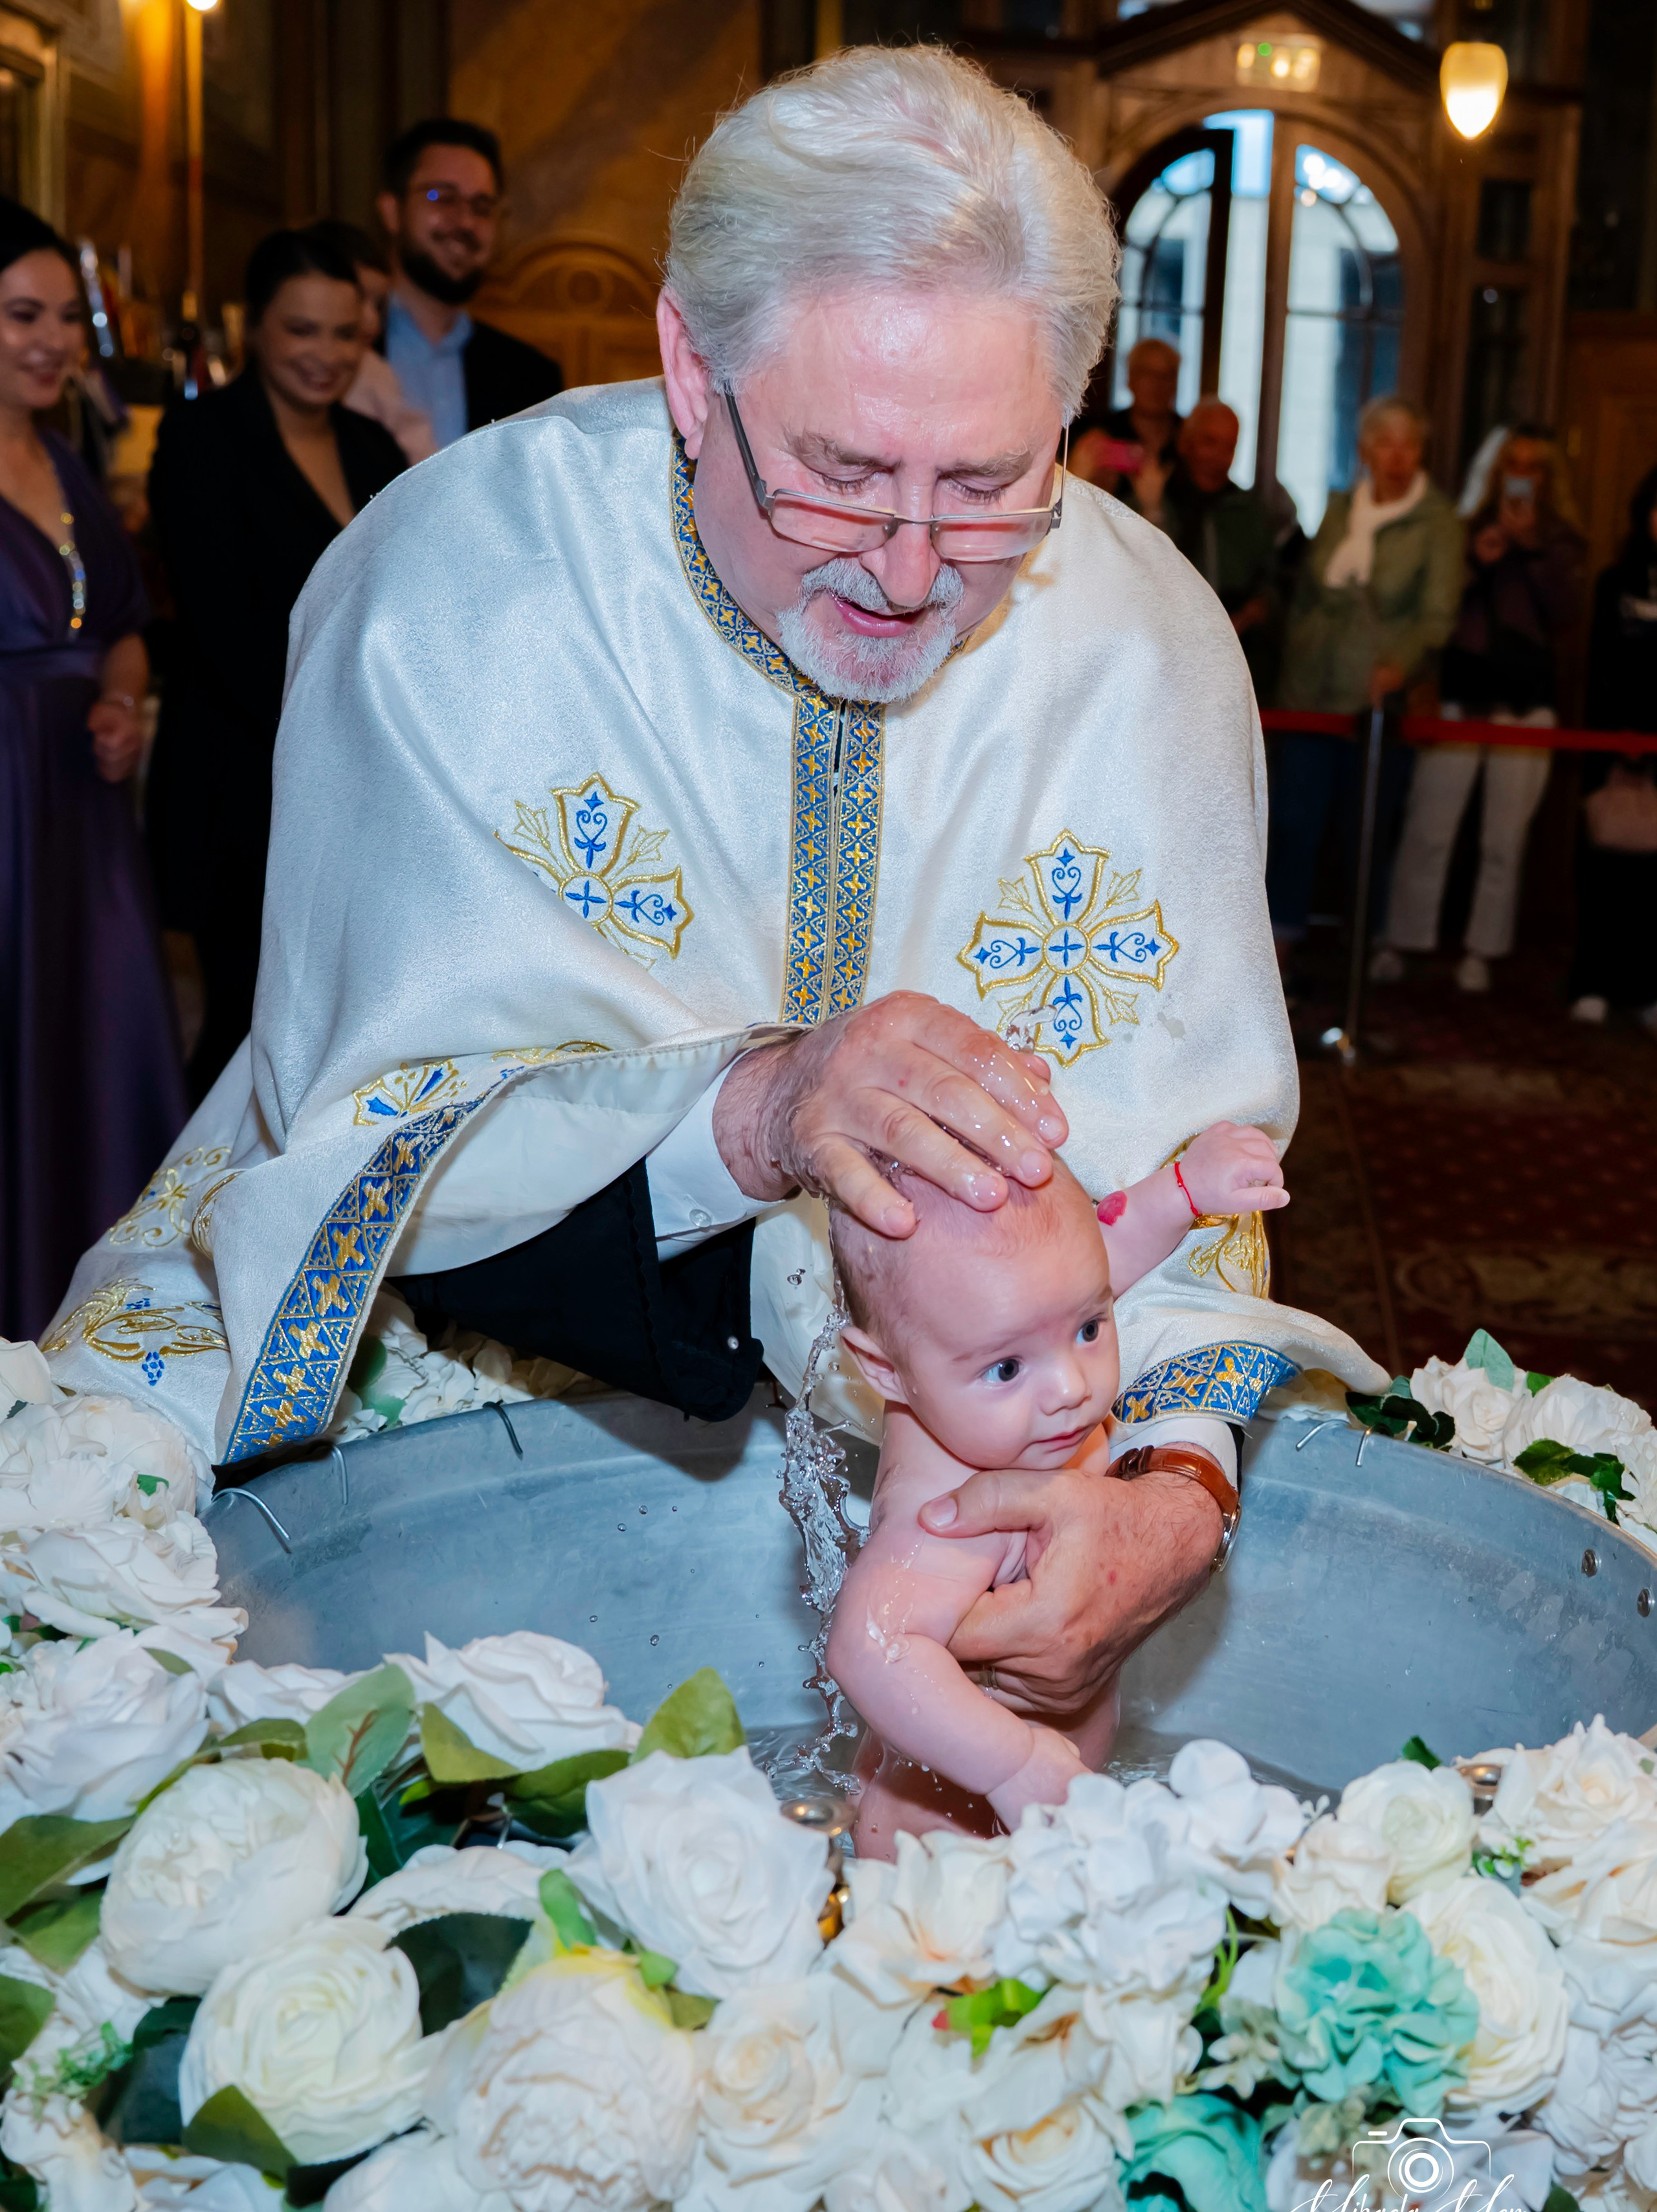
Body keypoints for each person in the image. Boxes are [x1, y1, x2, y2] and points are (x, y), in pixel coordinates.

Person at [50, 52, 1379, 1734]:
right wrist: (752, 1110)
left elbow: (1182, 1156)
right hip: (470, 1370)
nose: (908, 572)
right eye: (839, 473)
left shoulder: (1142, 639)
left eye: (987, 488)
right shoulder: (451, 593)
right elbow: (373, 1148)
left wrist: (1175, 1489)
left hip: (1012, 1398)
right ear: (692, 365)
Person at [827, 1123, 1287, 1856]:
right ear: (883, 1370)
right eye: (1006, 1368)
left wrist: (1181, 1192)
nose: (1071, 1389)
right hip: (950, 1819)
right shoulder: (951, 1505)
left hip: (1010, 1798)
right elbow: (867, 1646)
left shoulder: (1000, 1343)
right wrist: (1009, 1761)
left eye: (1089, 1328)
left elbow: (1097, 1260)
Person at [146, 229, 406, 1100]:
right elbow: (228, 633)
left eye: (345, 333)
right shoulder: (199, 439)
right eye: (302, 331)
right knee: (241, 1033)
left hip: (358, 788)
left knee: (338, 1027)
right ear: (253, 328)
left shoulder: (377, 450)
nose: (326, 355)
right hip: (240, 788)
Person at [0, 199, 185, 1341]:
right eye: (23, 315)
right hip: (9, 815)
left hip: (83, 813)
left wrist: (119, 697)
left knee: (91, 1046)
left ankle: (90, 1332)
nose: (55, 340)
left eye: (69, 317)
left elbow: (120, 619)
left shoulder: (65, 455)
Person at [1375, 425, 1585, 994]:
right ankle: (1402, 940)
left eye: (1533, 466)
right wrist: (1477, 557)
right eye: (1511, 465)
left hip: (1527, 704)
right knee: (1430, 826)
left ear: (1547, 477)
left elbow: (1566, 615)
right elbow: (1438, 607)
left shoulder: (1562, 541)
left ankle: (1481, 952)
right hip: (1460, 697)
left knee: (1503, 839)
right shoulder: (1459, 530)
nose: (1521, 476)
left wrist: (1533, 548)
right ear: (1492, 472)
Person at [1267, 395, 1463, 965]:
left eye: (1409, 444)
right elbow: (1306, 592)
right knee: (1295, 823)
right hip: (1309, 693)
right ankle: (1281, 952)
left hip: (1378, 702)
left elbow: (1437, 617)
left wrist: (1399, 664)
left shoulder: (1439, 521)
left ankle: (1363, 953)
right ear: (1366, 450)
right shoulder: (1339, 506)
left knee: (1367, 832)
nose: (1397, 456)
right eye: (1385, 442)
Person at [375, 118, 562, 447]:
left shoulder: (533, 380)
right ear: (392, 212)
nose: (465, 222)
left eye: (482, 206)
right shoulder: (335, 354)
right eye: (442, 197)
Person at [1567, 463, 1657, 1030]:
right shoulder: (1614, 582)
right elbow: (1601, 669)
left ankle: (1649, 991)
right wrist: (1620, 741)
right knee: (1606, 875)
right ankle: (1594, 980)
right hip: (1613, 745)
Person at [1161, 397, 1278, 699]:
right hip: (1165, 652)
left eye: (1230, 446)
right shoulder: (1157, 500)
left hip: (1234, 658)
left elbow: (1272, 582)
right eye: (1210, 442)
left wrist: (1252, 613)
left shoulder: (1249, 513)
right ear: (1186, 443)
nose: (1219, 456)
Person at [309, 218, 437, 466]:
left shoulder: (376, 372)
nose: (371, 320)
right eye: (359, 298)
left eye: (379, 305)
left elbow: (419, 448)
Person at [1071, 335, 1182, 525]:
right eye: (1148, 374)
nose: (1158, 385)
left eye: (1166, 376)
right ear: (1130, 378)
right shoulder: (1102, 435)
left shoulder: (1188, 440)